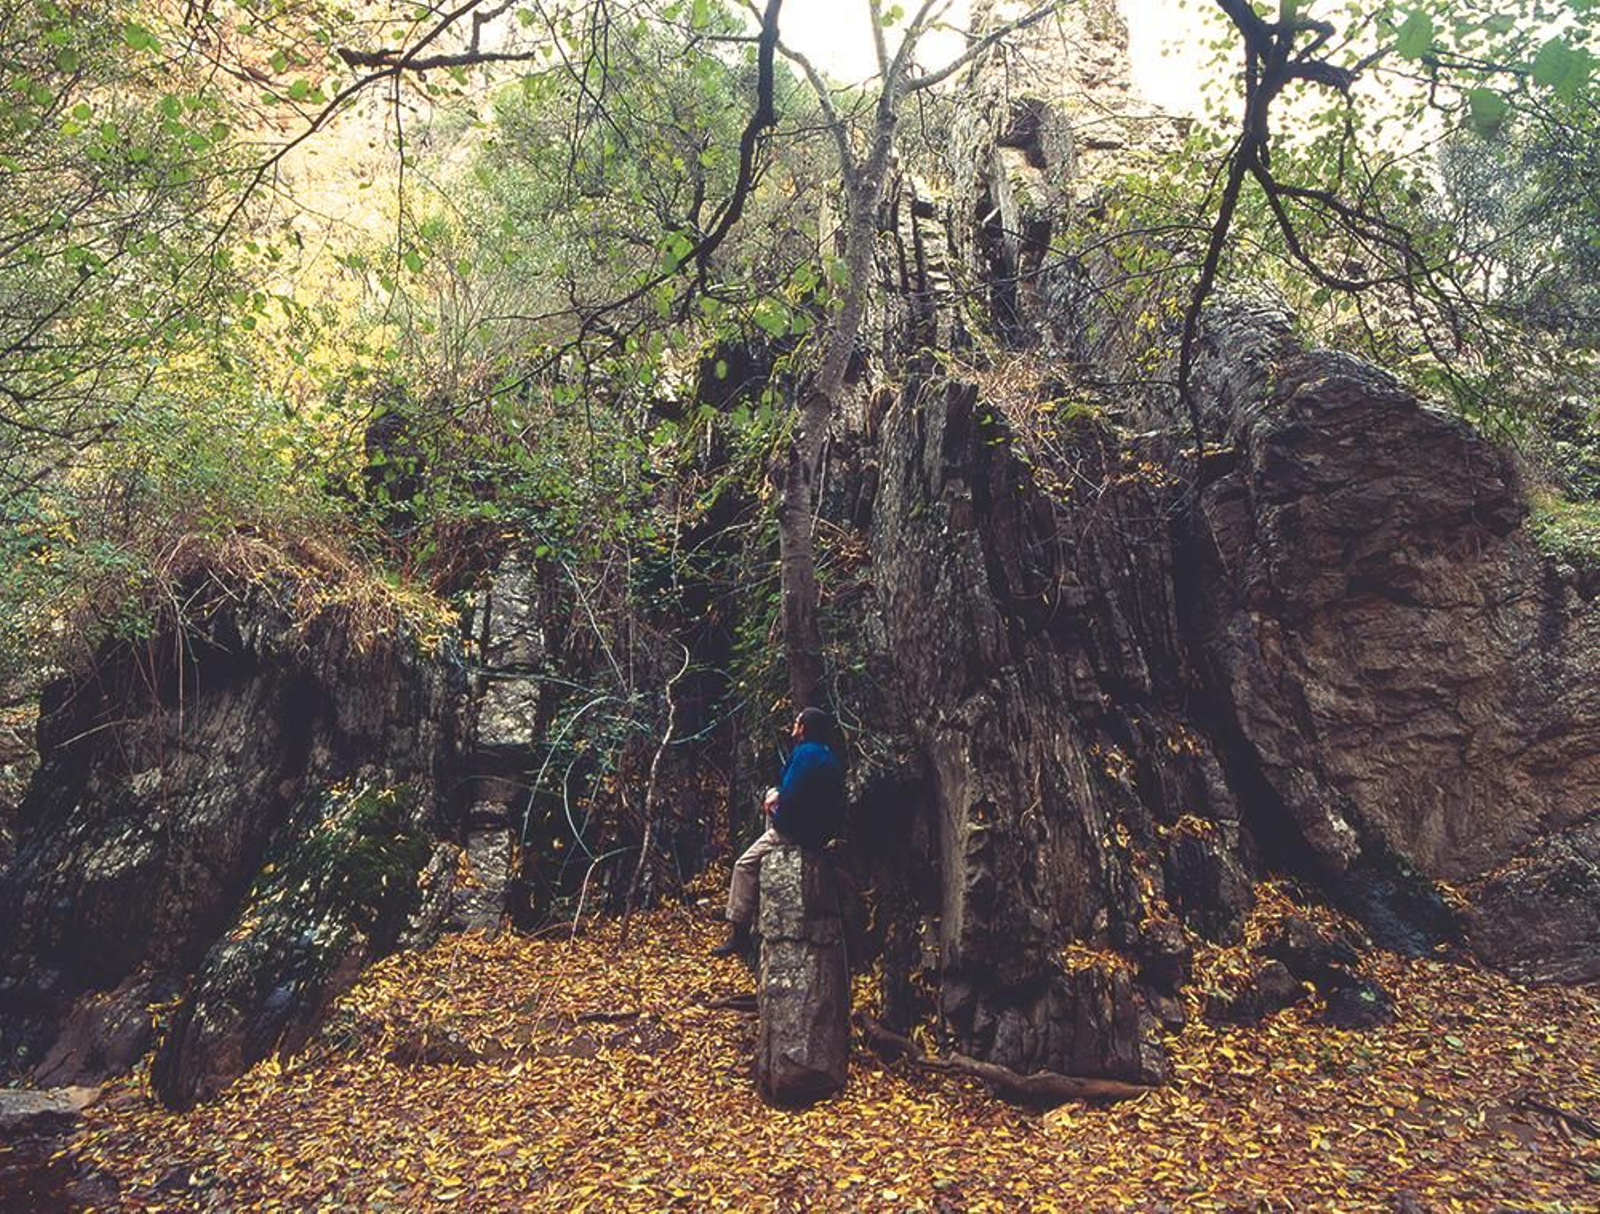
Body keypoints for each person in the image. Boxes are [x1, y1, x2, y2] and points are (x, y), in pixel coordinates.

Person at [711, 707, 845, 958]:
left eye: (796, 722)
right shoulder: (828, 755)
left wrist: (777, 813)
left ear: (803, 727)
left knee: (743, 865)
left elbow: (792, 792)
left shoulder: (805, 754)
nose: (793, 726)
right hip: (820, 832)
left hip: (797, 832)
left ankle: (738, 932)